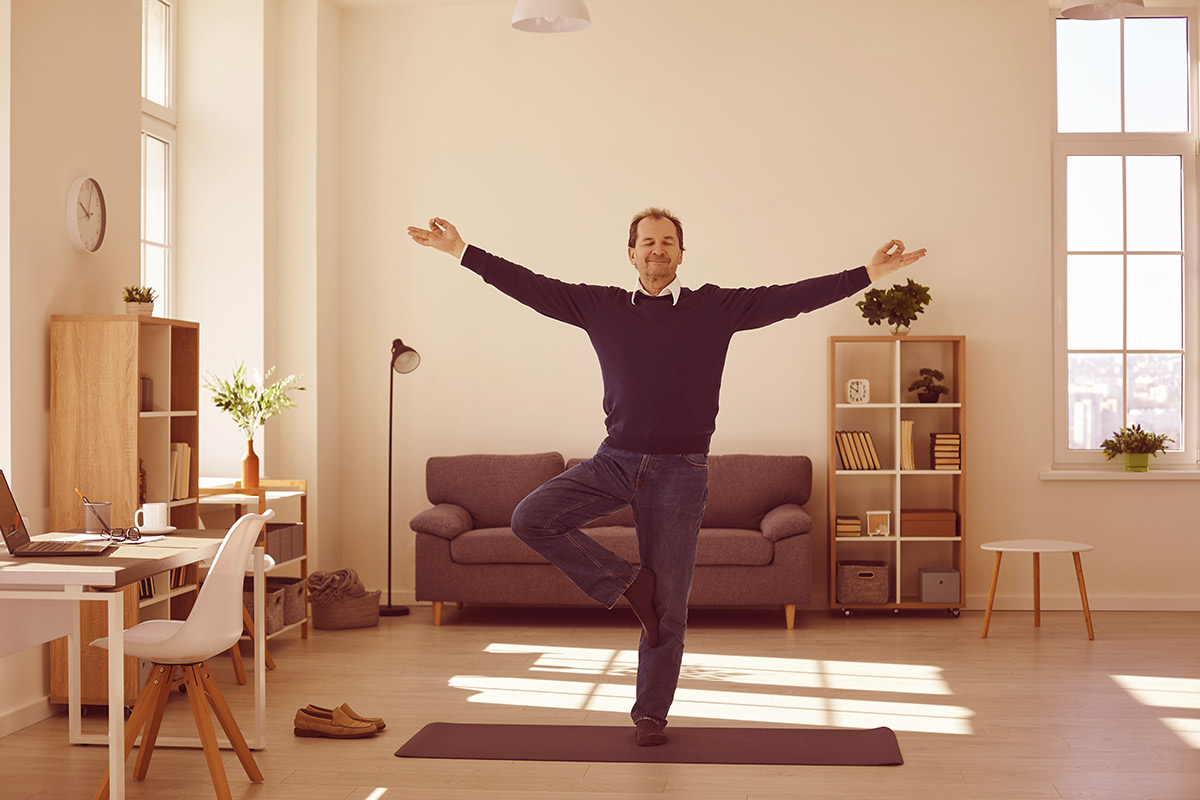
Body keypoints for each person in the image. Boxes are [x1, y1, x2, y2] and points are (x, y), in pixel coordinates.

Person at [407, 209, 926, 746]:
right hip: (615, 461)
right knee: (530, 518)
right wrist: (462, 251)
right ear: (630, 253)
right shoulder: (599, 306)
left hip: (682, 472)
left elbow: (789, 297)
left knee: (670, 606)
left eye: (668, 242)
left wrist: (866, 274)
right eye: (648, 242)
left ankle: (651, 714)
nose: (658, 250)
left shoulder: (714, 307)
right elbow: (530, 287)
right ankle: (629, 583)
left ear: (681, 254)